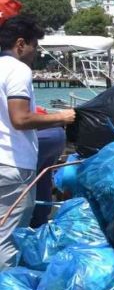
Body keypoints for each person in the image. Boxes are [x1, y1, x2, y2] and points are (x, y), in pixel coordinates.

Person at [0, 16, 75, 269]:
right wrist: (60, 118)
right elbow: (20, 118)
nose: (35, 53)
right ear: (21, 44)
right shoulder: (18, 70)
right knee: (9, 238)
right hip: (13, 165)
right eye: (34, 46)